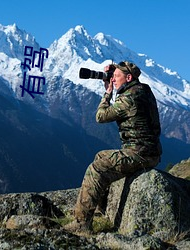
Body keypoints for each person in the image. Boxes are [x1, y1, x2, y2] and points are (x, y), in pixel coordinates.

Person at [64, 61, 162, 233]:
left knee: (97, 168)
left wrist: (107, 93)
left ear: (129, 78)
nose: (113, 79)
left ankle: (81, 224)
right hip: (149, 151)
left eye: (117, 77)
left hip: (139, 153)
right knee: (101, 156)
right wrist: (115, 72)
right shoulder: (143, 90)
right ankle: (101, 210)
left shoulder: (129, 99)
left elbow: (100, 117)